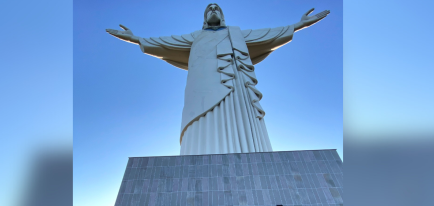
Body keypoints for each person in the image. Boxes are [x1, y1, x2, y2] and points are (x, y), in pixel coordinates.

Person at [106, 4, 330, 156]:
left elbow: (268, 34)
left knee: (242, 118)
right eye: (209, 8)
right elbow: (167, 43)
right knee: (200, 122)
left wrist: (299, 25)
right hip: (200, 87)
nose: (213, 9)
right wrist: (136, 39)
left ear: (222, 15)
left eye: (216, 7)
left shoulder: (236, 33)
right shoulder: (196, 36)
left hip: (236, 85)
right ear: (205, 17)